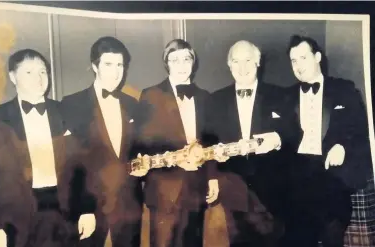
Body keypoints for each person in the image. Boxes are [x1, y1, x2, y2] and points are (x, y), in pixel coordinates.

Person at [0, 49, 96, 247]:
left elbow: (81, 166)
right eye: (29, 72)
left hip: (64, 211)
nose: (39, 78)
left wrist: (87, 210)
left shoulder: (66, 111)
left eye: (42, 72)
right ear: (13, 77)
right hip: (16, 215)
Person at [281, 35, 373, 247]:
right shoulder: (286, 96)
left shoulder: (344, 89)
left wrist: (342, 146)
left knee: (331, 231)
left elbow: (361, 129)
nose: (298, 66)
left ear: (318, 57)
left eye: (303, 58)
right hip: (299, 175)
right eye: (293, 61)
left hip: (332, 174)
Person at [208, 40, 299, 247]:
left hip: (273, 188)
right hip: (233, 188)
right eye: (236, 61)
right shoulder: (215, 100)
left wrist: (276, 139)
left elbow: (294, 132)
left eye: (248, 60)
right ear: (229, 65)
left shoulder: (281, 95)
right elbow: (209, 141)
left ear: (258, 62)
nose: (242, 67)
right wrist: (215, 157)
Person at [131, 38, 220, 247]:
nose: (181, 65)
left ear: (193, 62)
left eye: (186, 59)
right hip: (164, 188)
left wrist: (213, 177)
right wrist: (176, 156)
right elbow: (143, 141)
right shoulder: (150, 95)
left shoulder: (206, 97)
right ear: (167, 64)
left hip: (197, 186)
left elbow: (211, 141)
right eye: (175, 60)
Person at [59, 36, 144, 247]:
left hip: (128, 205)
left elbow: (135, 150)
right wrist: (84, 209)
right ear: (94, 66)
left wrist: (142, 165)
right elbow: (71, 164)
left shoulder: (132, 104)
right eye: (108, 64)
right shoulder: (72, 104)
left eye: (120, 65)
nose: (115, 72)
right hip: (90, 208)